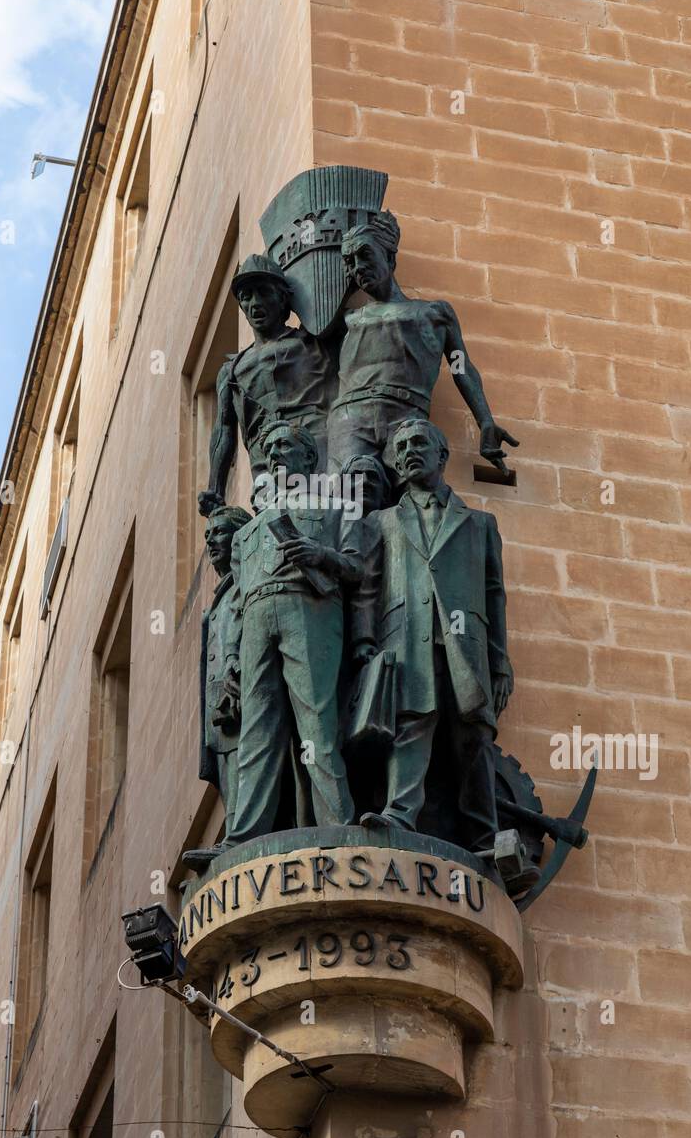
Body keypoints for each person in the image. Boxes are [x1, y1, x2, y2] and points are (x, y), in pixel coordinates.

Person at [352, 418, 513, 851]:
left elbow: (494, 596)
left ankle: (485, 836)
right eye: (401, 447)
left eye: (418, 443)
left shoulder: (480, 524)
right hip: (405, 639)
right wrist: (364, 643)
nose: (408, 453)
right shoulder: (381, 522)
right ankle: (400, 814)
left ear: (442, 455)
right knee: (412, 724)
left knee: (474, 738)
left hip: (465, 646)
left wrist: (500, 662)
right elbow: (367, 588)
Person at [219, 421, 362, 846]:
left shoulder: (337, 507)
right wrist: (231, 655)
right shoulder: (246, 533)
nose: (274, 454)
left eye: (284, 445)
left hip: (309, 608)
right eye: (269, 448)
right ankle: (242, 835)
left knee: (316, 719)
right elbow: (236, 601)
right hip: (257, 618)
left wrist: (320, 554)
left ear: (309, 457)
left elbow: (357, 565)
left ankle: (338, 824)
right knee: (257, 729)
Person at [328, 212, 518, 477]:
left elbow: (460, 367)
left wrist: (485, 420)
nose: (358, 267)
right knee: (348, 493)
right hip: (350, 419)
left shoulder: (434, 314)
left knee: (415, 491)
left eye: (365, 255)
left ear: (390, 258)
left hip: (406, 417)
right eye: (350, 262)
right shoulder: (346, 320)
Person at [197, 254, 336, 515]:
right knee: (275, 527)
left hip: (315, 446)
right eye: (246, 296)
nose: (255, 303)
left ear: (283, 298)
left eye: (263, 292)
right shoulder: (231, 371)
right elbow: (224, 429)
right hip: (266, 458)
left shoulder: (312, 343)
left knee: (323, 516)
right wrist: (215, 488)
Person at [183, 505, 252, 871]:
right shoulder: (219, 597)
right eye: (207, 536)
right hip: (219, 706)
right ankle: (234, 834)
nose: (211, 543)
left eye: (220, 533)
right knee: (228, 772)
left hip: (239, 695)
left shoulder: (245, 583)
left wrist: (237, 670)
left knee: (244, 765)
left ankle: (239, 836)